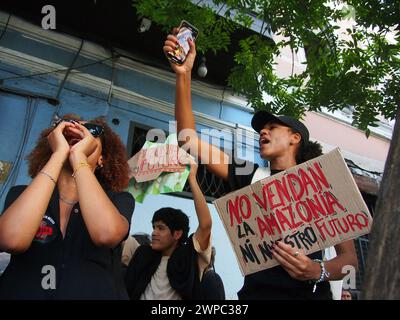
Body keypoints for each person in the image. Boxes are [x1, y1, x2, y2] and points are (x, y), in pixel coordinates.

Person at [163, 29, 359, 300]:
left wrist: (317, 270)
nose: (262, 133)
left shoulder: (322, 184)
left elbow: (349, 260)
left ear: (295, 137)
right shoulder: (250, 175)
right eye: (260, 130)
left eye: (271, 126)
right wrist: (183, 75)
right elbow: (188, 140)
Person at [0, 114, 135, 299]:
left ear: (102, 159)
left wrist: (79, 157)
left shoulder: (118, 200)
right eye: (67, 130)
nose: (78, 131)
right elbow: (11, 240)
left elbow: (106, 234)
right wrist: (58, 155)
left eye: (92, 131)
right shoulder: (22, 194)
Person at [124, 161, 212, 300]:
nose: (154, 232)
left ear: (177, 234)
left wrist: (192, 179)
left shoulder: (187, 259)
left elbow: (206, 225)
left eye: (161, 228)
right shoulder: (143, 255)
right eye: (154, 227)